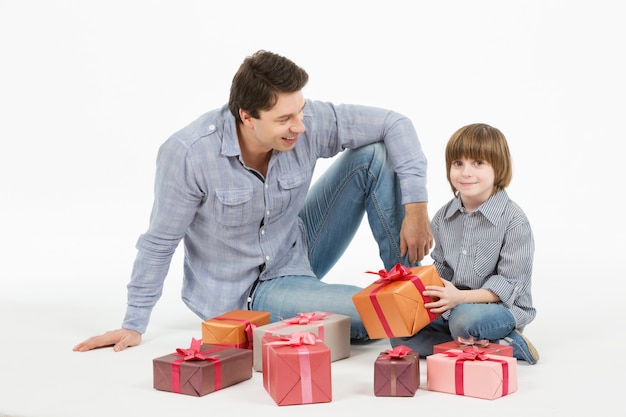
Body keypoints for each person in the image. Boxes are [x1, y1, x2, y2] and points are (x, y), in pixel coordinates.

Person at [73, 50, 433, 353]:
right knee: (368, 316)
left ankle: (409, 286)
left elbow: (395, 123)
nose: (300, 126)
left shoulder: (305, 122)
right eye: (285, 119)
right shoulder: (189, 154)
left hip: (295, 249)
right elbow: (158, 244)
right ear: (246, 116)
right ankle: (408, 312)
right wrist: (133, 323)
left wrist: (416, 208)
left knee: (373, 155)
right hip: (247, 295)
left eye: (300, 111)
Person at [391, 123, 540, 364]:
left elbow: (510, 284)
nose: (466, 172)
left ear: (498, 168)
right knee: (400, 333)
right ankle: (479, 346)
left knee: (464, 321)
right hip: (453, 304)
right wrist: (417, 292)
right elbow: (442, 267)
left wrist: (460, 298)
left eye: (478, 163)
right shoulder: (443, 217)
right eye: (458, 163)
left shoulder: (513, 220)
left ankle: (509, 340)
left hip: (496, 309)